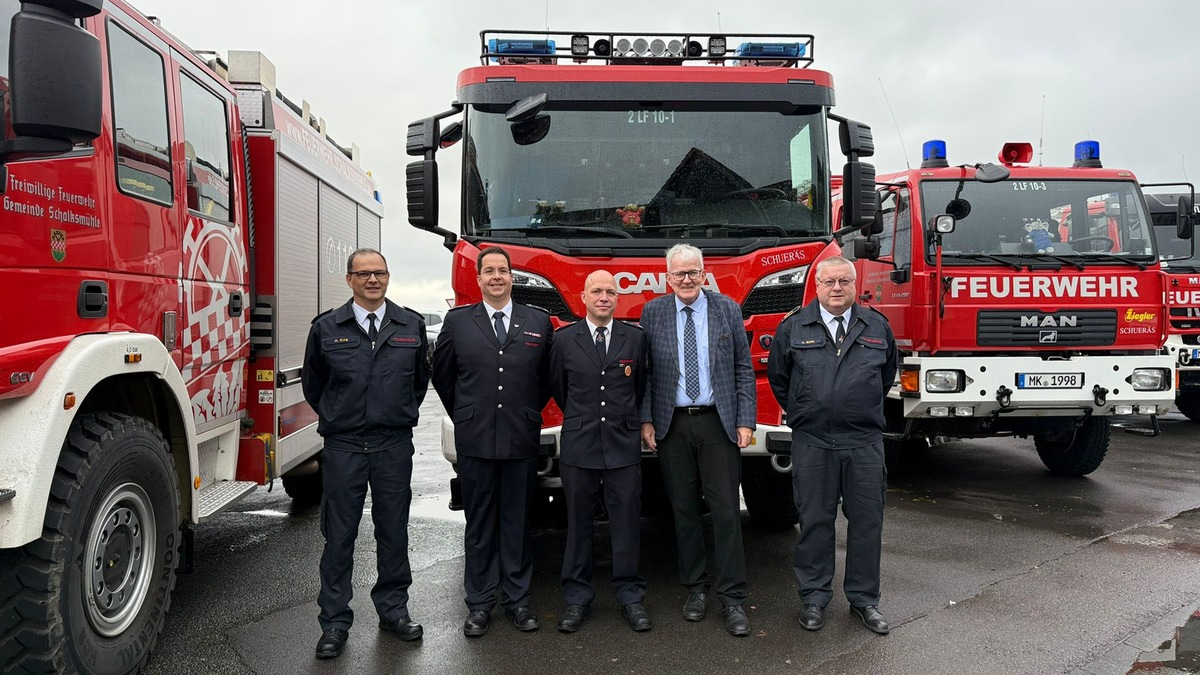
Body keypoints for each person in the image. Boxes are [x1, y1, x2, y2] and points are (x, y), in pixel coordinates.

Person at [301, 248, 430, 659]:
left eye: (380, 273)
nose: (373, 280)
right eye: (364, 274)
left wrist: (393, 415)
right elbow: (313, 384)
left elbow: (419, 383)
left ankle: (394, 611)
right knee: (339, 537)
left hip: (393, 445)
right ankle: (335, 623)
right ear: (350, 280)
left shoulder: (409, 323)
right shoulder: (326, 328)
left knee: (393, 532)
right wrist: (341, 417)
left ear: (388, 277)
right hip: (344, 447)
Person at [766, 256, 897, 636]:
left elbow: (886, 373)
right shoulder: (793, 327)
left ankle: (864, 599)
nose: (836, 288)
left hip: (864, 442)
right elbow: (780, 379)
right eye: (829, 282)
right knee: (815, 523)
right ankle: (813, 598)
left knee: (867, 523)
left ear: (856, 285)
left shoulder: (876, 326)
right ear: (817, 285)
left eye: (844, 281)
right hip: (814, 443)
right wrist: (808, 410)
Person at [432, 245, 553, 637]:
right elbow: (443, 376)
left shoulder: (538, 321)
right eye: (490, 271)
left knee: (518, 522)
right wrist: (466, 412)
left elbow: (547, 379)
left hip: (520, 435)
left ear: (511, 277)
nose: (497, 276)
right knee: (480, 523)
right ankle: (480, 604)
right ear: (479, 278)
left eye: (503, 270)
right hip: (476, 437)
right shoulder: (457, 322)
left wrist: (525, 410)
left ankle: (518, 601)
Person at [638, 243, 756, 637]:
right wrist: (647, 421)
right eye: (679, 274)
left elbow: (743, 366)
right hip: (672, 425)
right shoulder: (653, 312)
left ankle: (733, 597)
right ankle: (695, 589)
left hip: (717, 423)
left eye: (693, 273)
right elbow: (647, 372)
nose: (686, 280)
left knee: (725, 512)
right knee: (684, 510)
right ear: (667, 277)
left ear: (704, 274)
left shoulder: (727, 309)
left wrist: (745, 420)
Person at [549, 271, 650, 633]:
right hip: (580, 445)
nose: (604, 297)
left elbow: (639, 388)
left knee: (626, 525)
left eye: (610, 291)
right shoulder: (563, 340)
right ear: (584, 297)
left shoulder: (635, 339)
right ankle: (577, 598)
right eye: (597, 291)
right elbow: (560, 388)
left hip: (623, 446)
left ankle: (630, 596)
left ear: (617, 299)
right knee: (578, 525)